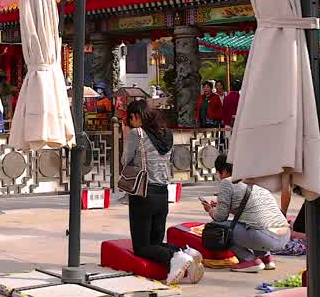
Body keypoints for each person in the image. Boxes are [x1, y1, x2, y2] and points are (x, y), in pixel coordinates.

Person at [121, 99, 203, 285]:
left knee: (142, 248)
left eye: (129, 119)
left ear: (135, 116)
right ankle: (187, 252)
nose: (129, 123)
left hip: (143, 193)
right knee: (155, 244)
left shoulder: (137, 133)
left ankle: (177, 256)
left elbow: (125, 160)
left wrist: (127, 135)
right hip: (162, 193)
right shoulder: (167, 134)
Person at [202, 155, 291, 272]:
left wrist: (210, 210)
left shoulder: (227, 182)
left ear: (223, 170)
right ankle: (266, 258)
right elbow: (250, 209)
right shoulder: (253, 179)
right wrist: (221, 205)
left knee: (218, 228)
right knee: (252, 223)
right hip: (284, 236)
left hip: (264, 237)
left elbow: (220, 217)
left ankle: (250, 260)